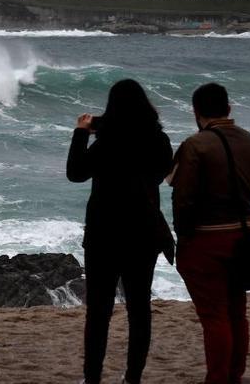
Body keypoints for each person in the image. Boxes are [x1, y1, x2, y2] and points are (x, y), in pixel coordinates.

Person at [67, 79, 173, 384]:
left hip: (104, 234)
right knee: (139, 309)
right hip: (144, 233)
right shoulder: (158, 140)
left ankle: (92, 379)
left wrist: (80, 133)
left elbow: (75, 174)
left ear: (111, 108)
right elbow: (162, 174)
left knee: (98, 312)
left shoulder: (106, 143)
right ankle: (133, 378)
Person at [171, 83, 250, 384]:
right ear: (229, 108)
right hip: (245, 235)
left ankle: (218, 378)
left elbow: (182, 198)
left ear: (196, 112)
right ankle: (234, 376)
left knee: (214, 316)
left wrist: (183, 239)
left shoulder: (196, 145)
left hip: (207, 240)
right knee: (238, 311)